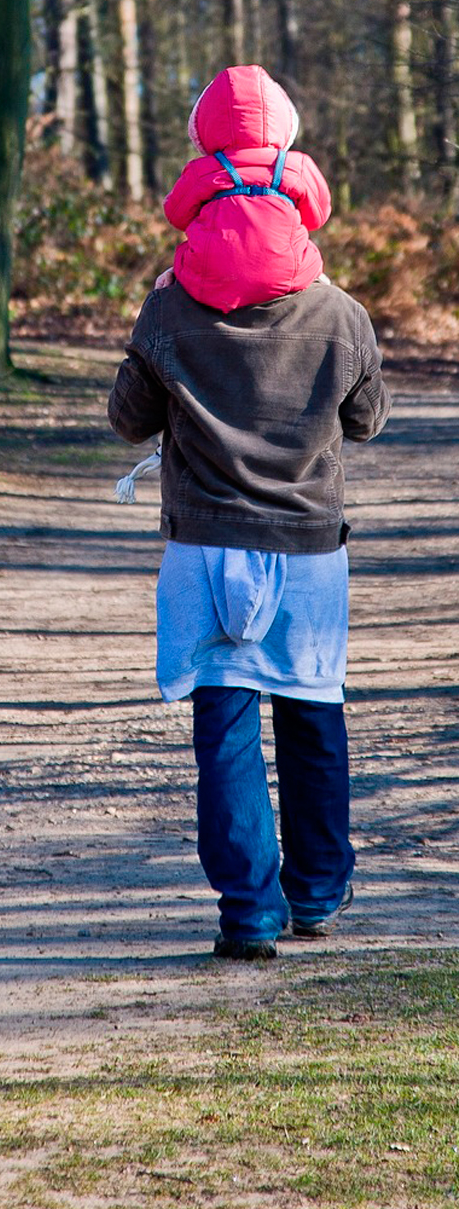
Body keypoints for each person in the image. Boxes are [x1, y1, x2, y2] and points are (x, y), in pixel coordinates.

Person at [108, 77, 391, 962]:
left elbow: (128, 418)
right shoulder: (338, 312)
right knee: (313, 717)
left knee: (225, 728)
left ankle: (249, 912)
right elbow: (366, 421)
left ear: (203, 161)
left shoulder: (168, 304)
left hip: (205, 549)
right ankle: (318, 891)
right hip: (308, 550)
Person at [155, 63, 331, 312]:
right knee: (307, 255)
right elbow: (318, 217)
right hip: (285, 273)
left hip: (212, 278)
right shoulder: (296, 166)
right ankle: (315, 283)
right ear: (284, 119)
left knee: (187, 257)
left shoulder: (202, 171)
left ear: (204, 123)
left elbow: (175, 214)